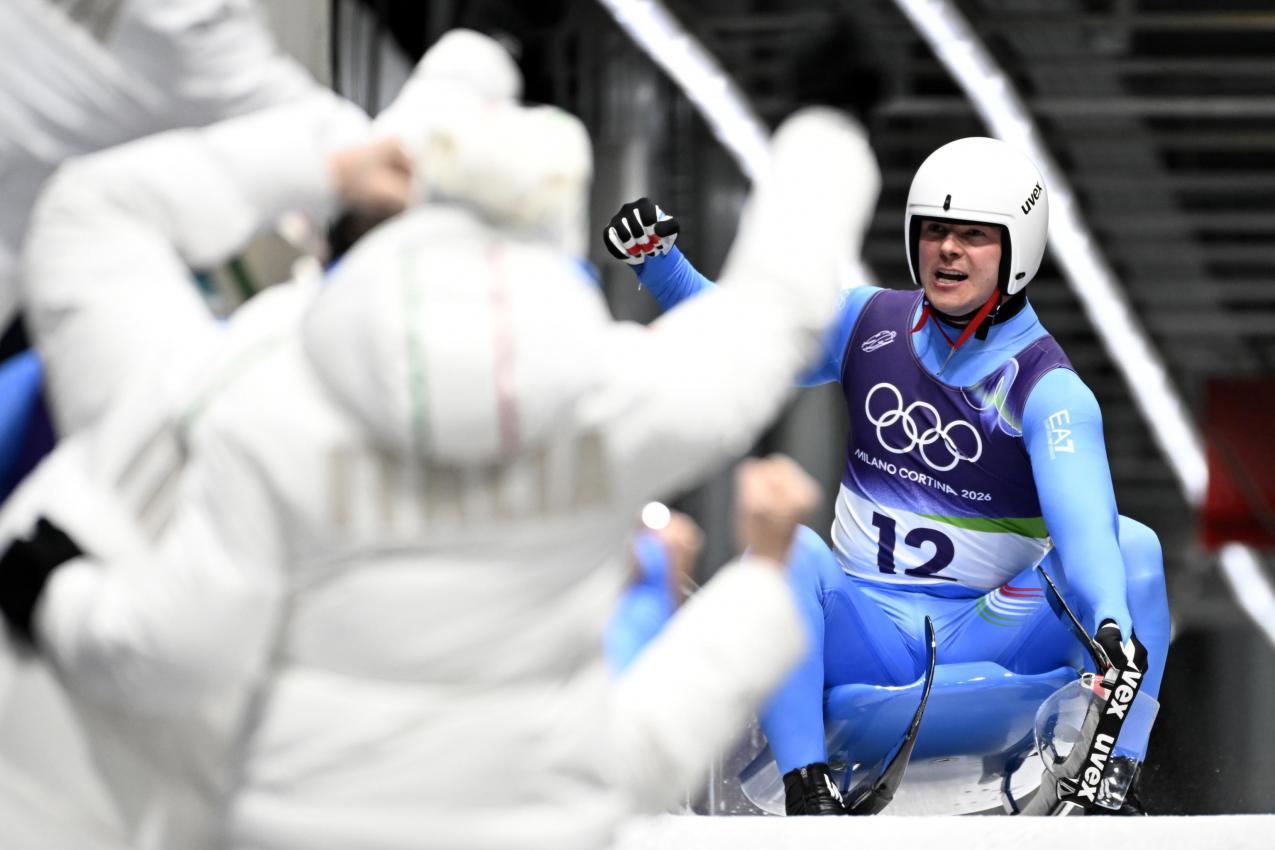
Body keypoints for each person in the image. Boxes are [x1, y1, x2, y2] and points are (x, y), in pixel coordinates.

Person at [0, 29, 881, 850]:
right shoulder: (612, 403)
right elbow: (772, 314)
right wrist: (823, 137)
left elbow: (179, 652)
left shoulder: (268, 402)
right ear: (552, 234)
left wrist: (57, 596)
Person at [603, 137, 1172, 815]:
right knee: (790, 550)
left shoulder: (1049, 392)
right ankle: (806, 792)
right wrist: (659, 265)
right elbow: (739, 345)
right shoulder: (865, 321)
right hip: (864, 634)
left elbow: (1087, 534)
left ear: (1017, 250)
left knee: (1134, 549)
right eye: (933, 231)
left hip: (988, 629)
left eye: (972, 236)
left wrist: (1109, 622)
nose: (947, 251)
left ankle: (1112, 780)